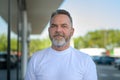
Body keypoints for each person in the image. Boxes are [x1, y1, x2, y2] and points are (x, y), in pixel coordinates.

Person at [25, 9, 98, 80]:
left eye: (64, 26)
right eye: (54, 26)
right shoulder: (36, 59)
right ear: (49, 30)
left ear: (72, 32)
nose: (58, 30)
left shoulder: (85, 61)